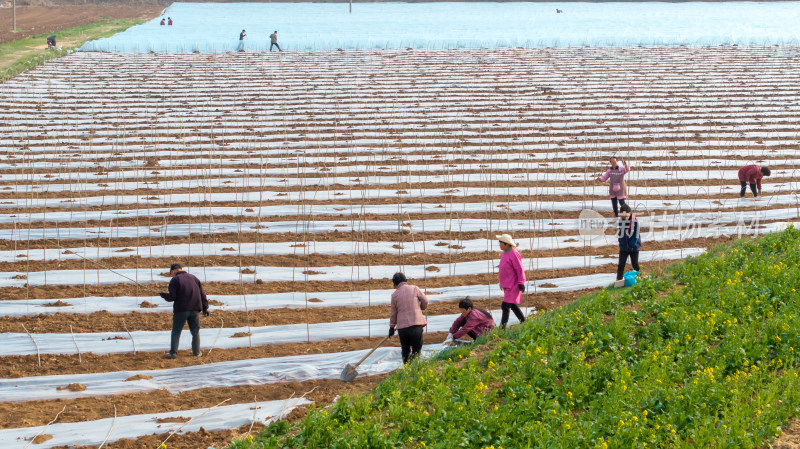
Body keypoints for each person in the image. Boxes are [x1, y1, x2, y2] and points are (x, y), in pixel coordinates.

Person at [160, 263, 209, 359]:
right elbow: (202, 294)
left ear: (173, 271)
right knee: (195, 331)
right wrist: (205, 308)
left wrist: (163, 295)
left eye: (171, 273)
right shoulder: (194, 278)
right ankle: (197, 352)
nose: (172, 275)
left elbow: (172, 297)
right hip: (195, 309)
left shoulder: (175, 280)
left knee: (176, 331)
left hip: (181, 310)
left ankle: (173, 353)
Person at [389, 272, 429, 364]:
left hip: (403, 328)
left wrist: (391, 327)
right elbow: (425, 301)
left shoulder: (394, 295)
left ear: (395, 284)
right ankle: (414, 369)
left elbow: (393, 313)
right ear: (405, 281)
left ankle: (407, 369)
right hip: (416, 325)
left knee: (405, 350)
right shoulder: (414, 288)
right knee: (416, 350)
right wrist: (421, 308)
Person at [496, 233, 526, 328]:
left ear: (507, 244)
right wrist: (502, 282)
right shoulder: (503, 253)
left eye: (501, 243)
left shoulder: (514, 253)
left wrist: (521, 282)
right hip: (507, 284)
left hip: (514, 285)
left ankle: (502, 328)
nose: (499, 244)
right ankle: (523, 321)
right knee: (512, 304)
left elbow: (519, 269)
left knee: (505, 306)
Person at [616, 204, 641, 282]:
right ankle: (619, 280)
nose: (623, 217)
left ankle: (640, 276)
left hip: (633, 247)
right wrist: (620, 241)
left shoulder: (635, 222)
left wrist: (631, 245)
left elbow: (636, 235)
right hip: (624, 247)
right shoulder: (621, 221)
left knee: (635, 264)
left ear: (629, 213)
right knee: (621, 265)